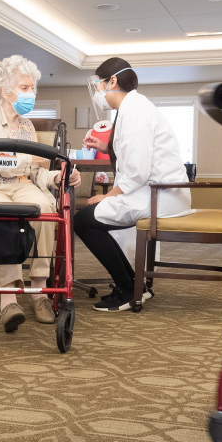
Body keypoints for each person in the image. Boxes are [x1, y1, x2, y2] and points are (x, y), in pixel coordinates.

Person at [0, 55, 81, 332]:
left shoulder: (27, 127)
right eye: (25, 88)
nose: (31, 93)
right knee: (3, 216)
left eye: (32, 87)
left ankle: (39, 290)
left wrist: (59, 175)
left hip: (23, 185)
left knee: (46, 209)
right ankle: (8, 298)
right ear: (6, 91)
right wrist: (32, 162)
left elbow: (38, 173)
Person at [74, 58, 192, 312]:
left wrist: (110, 196)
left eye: (99, 84)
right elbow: (136, 152)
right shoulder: (134, 107)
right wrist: (106, 147)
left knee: (83, 221)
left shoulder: (135, 109)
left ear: (113, 81)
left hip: (159, 194)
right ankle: (135, 285)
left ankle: (128, 288)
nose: (98, 92)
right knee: (90, 218)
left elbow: (138, 169)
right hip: (157, 191)